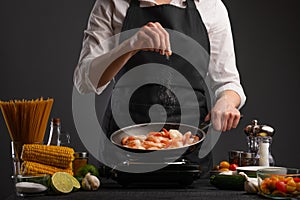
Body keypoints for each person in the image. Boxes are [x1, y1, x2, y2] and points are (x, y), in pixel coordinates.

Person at [74, 0, 246, 178]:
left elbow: (228, 83)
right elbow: (85, 81)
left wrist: (226, 101)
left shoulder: (210, 5)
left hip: (190, 150)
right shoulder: (112, 4)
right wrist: (130, 45)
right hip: (123, 148)